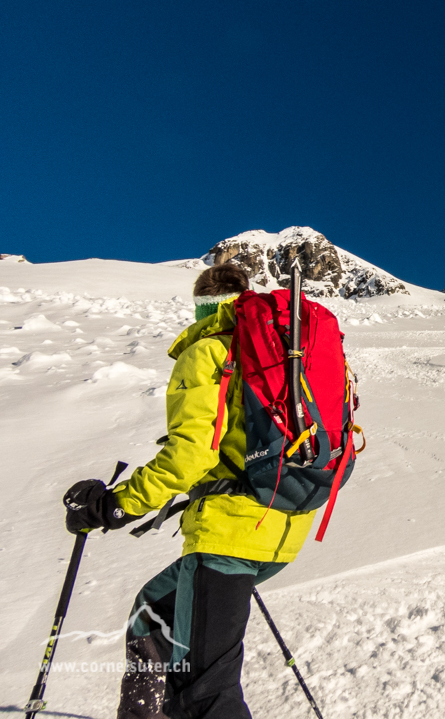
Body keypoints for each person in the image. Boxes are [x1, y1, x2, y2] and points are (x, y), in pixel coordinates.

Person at [62, 263, 318, 719]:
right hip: (283, 525)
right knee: (151, 615)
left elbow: (191, 455)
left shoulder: (209, 352)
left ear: (203, 305)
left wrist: (116, 505)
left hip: (230, 531)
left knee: (204, 691)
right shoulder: (282, 353)